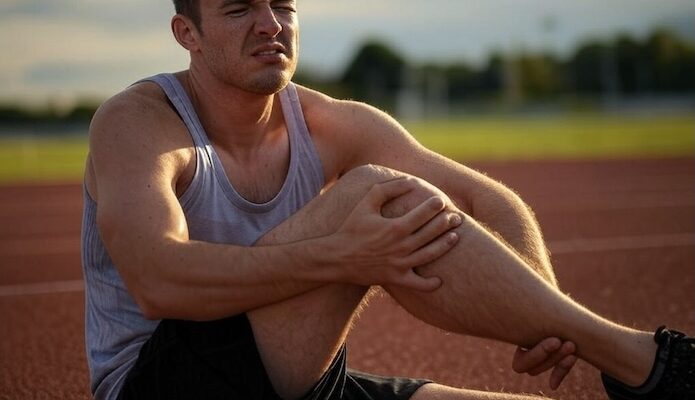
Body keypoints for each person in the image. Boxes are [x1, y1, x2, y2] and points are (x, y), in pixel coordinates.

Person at [81, 1, 694, 399]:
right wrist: (341, 256)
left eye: (283, 5)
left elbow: (483, 198)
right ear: (186, 33)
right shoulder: (139, 123)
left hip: (303, 378)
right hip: (166, 380)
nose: (270, 24)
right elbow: (159, 280)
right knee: (378, 195)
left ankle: (624, 358)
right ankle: (648, 364)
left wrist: (544, 316)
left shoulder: (326, 121)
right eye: (239, 8)